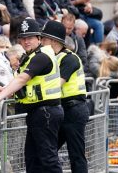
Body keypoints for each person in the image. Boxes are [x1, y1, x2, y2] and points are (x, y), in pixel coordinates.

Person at [0, 18, 64, 173]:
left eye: (30, 37)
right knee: (32, 158)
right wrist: (5, 90)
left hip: (45, 113)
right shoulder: (33, 56)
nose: (26, 41)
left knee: (47, 159)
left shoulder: (41, 56)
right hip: (39, 113)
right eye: (23, 38)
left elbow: (22, 79)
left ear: (39, 38)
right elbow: (21, 83)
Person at [40, 20, 89, 173]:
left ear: (53, 41)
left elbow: (56, 84)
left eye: (44, 38)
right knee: (49, 151)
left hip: (74, 110)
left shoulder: (69, 58)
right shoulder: (53, 58)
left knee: (76, 155)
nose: (41, 42)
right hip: (62, 111)